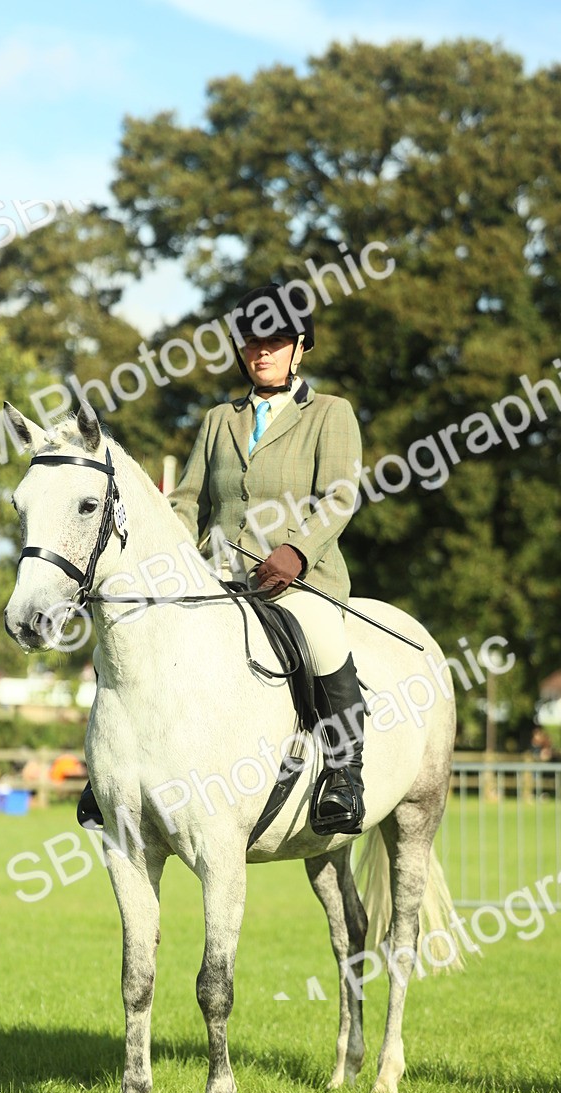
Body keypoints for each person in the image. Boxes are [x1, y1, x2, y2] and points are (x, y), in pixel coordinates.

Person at [78, 282, 366, 837]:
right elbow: (186, 503)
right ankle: (109, 776)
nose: (262, 352)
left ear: (300, 346)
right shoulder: (218, 420)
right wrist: (159, 560)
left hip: (296, 581)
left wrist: (296, 552)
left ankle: (343, 775)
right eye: (253, 342)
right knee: (128, 639)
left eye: (276, 341)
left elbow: (340, 496)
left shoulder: (330, 414)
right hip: (216, 578)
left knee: (324, 638)